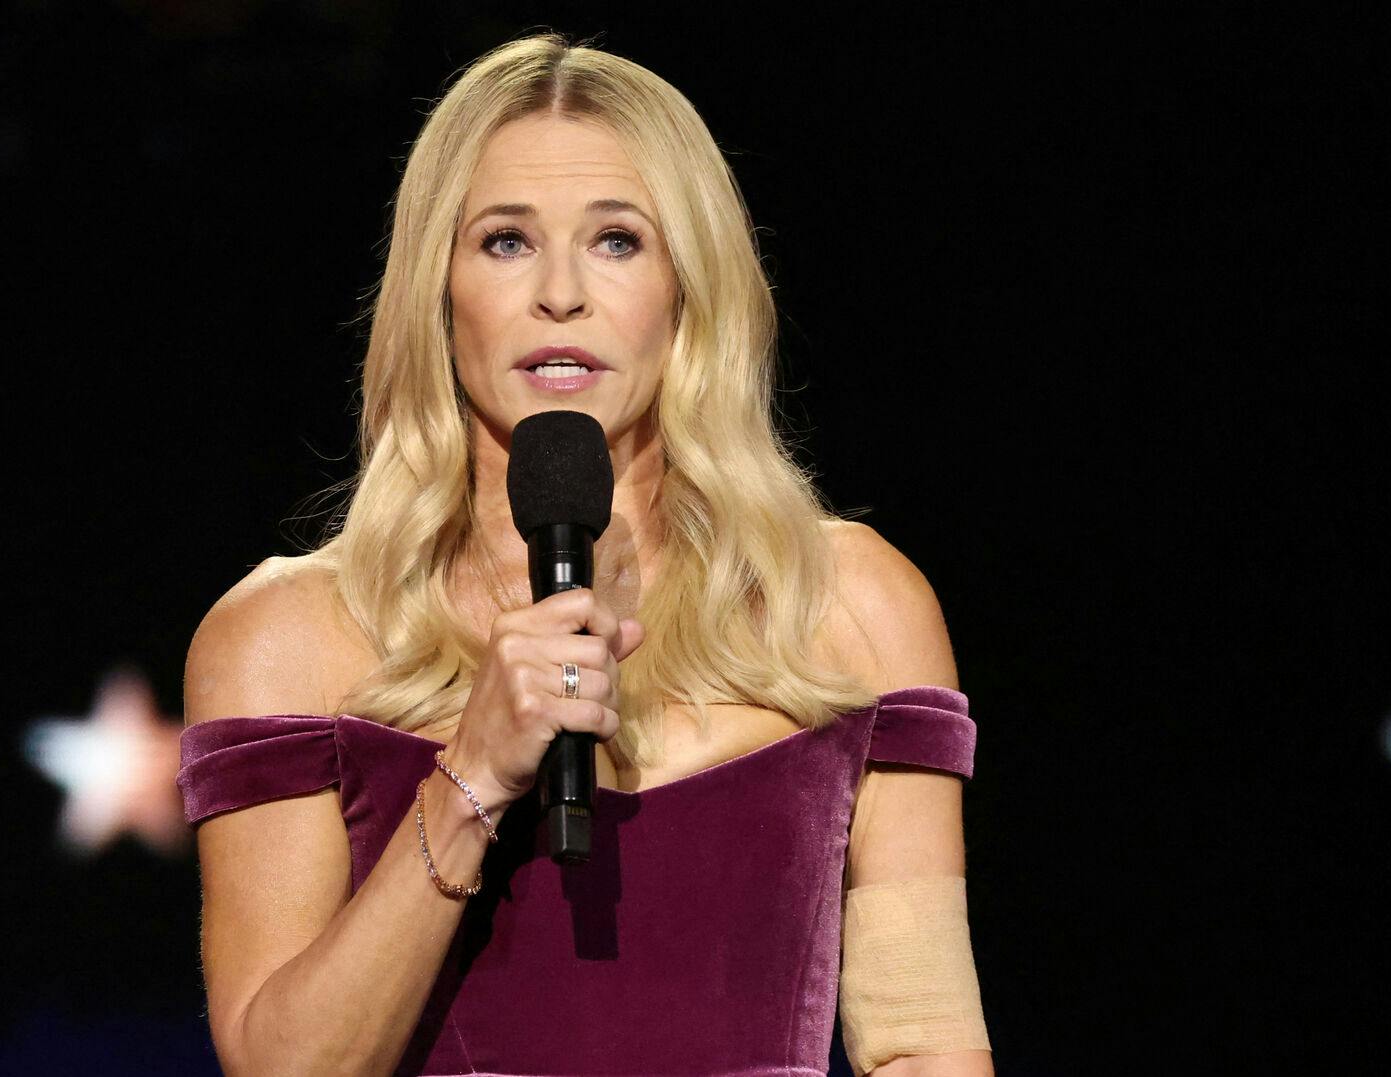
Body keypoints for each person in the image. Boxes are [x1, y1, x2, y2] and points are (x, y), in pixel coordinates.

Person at [176, 31, 993, 1077]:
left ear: (689, 290)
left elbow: (925, 1044)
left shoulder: (846, 605)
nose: (560, 292)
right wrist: (469, 778)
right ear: (439, 289)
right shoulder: (285, 639)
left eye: (618, 241)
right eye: (506, 242)